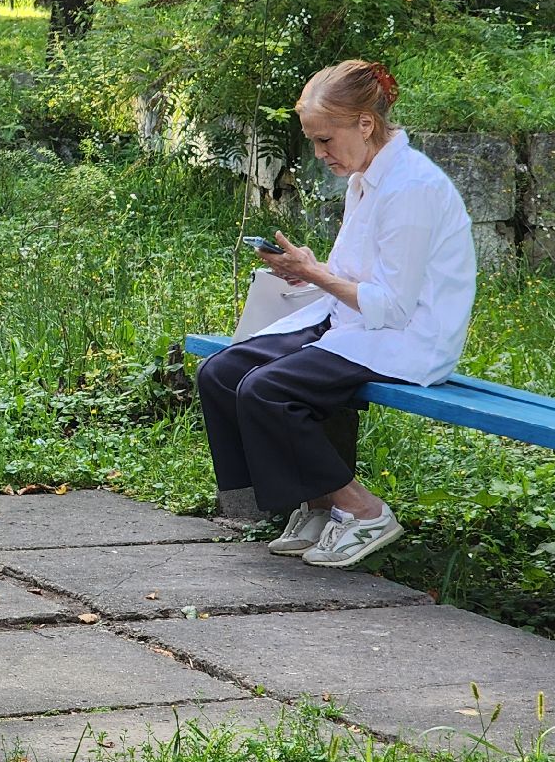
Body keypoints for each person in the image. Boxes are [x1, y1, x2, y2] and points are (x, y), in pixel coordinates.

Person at [195, 60, 476, 569]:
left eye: (325, 140)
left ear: (365, 124)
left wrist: (316, 275)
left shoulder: (412, 188)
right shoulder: (366, 177)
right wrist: (307, 271)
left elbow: (394, 306)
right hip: (357, 322)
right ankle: (317, 503)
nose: (320, 153)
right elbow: (359, 275)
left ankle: (364, 510)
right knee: (221, 372)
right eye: (313, 141)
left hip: (408, 338)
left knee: (266, 390)